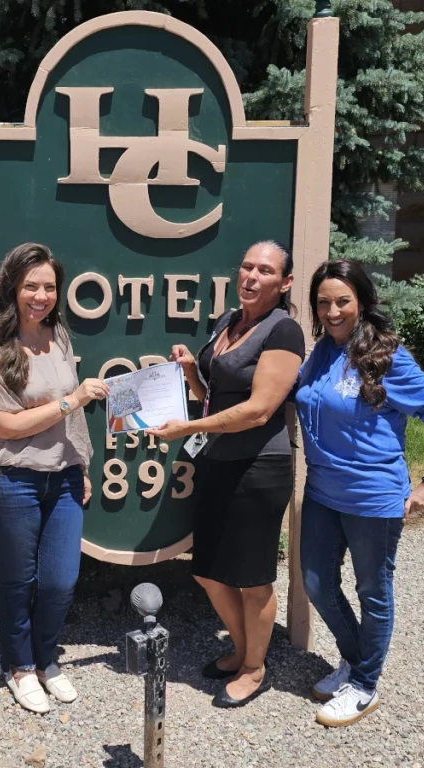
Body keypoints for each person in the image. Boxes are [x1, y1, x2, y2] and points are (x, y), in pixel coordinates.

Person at [296, 259, 424, 728]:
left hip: (372, 496)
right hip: (323, 490)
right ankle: (354, 660)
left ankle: (365, 686)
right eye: (323, 302)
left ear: (361, 302)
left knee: (373, 591)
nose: (332, 311)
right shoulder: (323, 350)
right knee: (316, 581)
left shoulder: (387, 355)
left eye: (342, 301)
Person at [146, 241, 305, 708]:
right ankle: (240, 650)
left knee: (253, 577)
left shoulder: (284, 332)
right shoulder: (228, 323)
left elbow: (258, 411)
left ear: (285, 282)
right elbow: (217, 396)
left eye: (265, 270)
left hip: (260, 465)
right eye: (247, 266)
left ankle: (256, 668)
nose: (252, 276)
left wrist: (189, 427)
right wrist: (193, 371)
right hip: (217, 459)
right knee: (209, 570)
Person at [0, 243, 107, 715]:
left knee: (60, 581)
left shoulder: (59, 336)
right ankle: (20, 667)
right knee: (16, 581)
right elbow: (5, 426)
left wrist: (83, 463)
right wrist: (72, 401)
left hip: (64, 476)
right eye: (31, 286)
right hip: (14, 481)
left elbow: (63, 418)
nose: (41, 295)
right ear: (13, 286)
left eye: (49, 287)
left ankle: (47, 659)